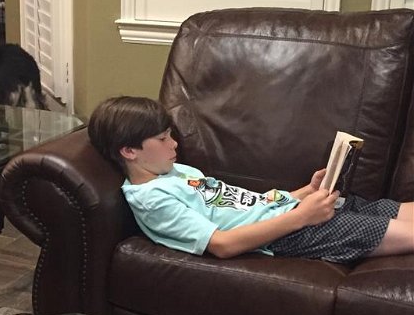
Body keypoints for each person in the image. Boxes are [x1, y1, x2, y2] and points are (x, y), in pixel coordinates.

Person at [87, 96, 414, 264]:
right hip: (287, 234)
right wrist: (301, 217)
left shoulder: (176, 171)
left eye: (170, 134)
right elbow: (223, 245)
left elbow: (249, 204)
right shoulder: (151, 199)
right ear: (129, 151)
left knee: (395, 209)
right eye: (162, 139)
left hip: (291, 212)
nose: (174, 144)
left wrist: (305, 192)